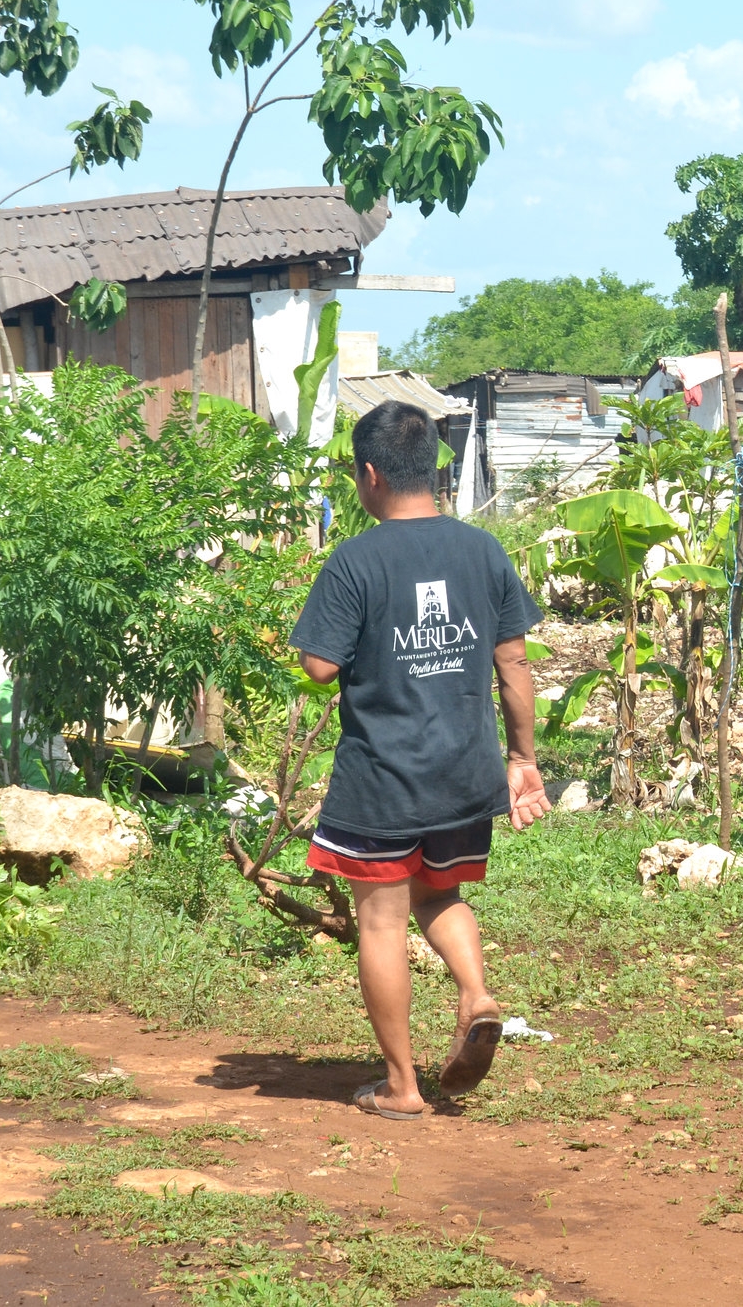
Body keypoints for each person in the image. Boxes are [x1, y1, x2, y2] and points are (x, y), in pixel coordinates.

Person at [290, 402, 551, 1120]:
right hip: (466, 771)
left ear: (368, 475)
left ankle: (402, 1087)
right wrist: (523, 759)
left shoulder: (355, 559)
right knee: (440, 896)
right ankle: (477, 994)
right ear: (434, 468)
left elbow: (317, 666)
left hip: (383, 779)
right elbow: (514, 663)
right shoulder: (482, 550)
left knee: (382, 922)